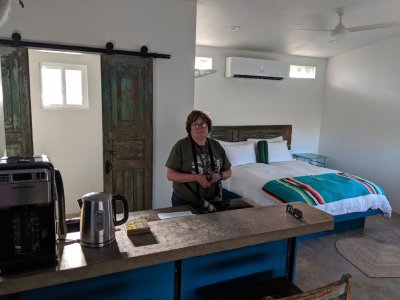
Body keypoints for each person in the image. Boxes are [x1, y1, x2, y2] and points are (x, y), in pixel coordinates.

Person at [166, 110, 232, 208]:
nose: (200, 127)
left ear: (208, 126)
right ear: (189, 128)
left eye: (203, 124)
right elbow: (170, 175)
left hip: (214, 201)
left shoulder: (216, 145)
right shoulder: (181, 146)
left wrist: (219, 176)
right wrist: (196, 177)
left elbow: (229, 172)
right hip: (185, 201)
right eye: (195, 125)